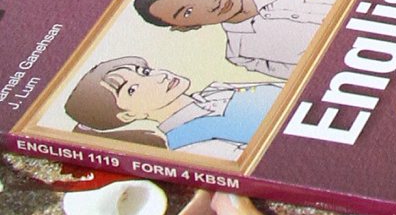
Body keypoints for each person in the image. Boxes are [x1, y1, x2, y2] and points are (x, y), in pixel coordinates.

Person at [133, 0, 346, 80]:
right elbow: (313, 78)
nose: (211, 4)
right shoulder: (241, 53)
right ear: (184, 27)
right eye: (187, 12)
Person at [64, 54, 278, 158]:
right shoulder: (191, 145)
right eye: (132, 89)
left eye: (144, 72)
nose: (158, 77)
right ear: (128, 116)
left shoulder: (217, 90)